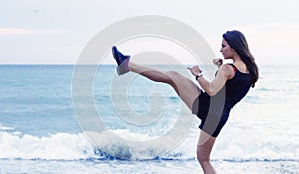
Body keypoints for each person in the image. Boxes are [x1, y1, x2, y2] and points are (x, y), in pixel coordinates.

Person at [111, 30, 259, 174]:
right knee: (204, 160)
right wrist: (220, 68)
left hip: (209, 107)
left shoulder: (228, 69)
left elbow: (212, 90)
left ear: (234, 48)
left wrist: (197, 74)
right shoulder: (250, 70)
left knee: (172, 77)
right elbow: (232, 88)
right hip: (220, 116)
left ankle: (127, 65)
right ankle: (127, 65)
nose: (220, 50)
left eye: (223, 46)